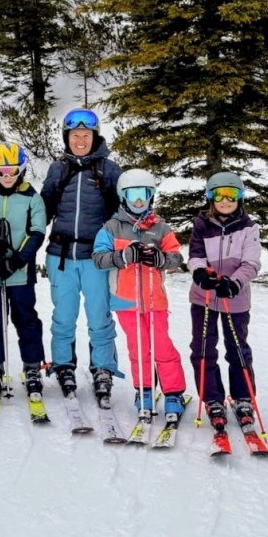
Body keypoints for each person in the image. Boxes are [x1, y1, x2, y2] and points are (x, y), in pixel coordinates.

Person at [40, 108, 122, 404]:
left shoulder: (109, 170)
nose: (80, 140)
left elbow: (123, 212)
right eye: (75, 135)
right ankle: (64, 365)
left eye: (86, 135)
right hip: (61, 255)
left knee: (99, 317)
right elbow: (42, 210)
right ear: (67, 137)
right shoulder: (57, 169)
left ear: (94, 137)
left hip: (96, 258)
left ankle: (103, 369)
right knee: (63, 316)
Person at [93, 169, 185, 417]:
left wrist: (160, 259)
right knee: (138, 348)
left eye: (143, 194)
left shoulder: (161, 228)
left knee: (162, 347)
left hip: (156, 302)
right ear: (123, 196)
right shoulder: (111, 228)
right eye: (132, 195)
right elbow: (99, 258)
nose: (138, 201)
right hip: (126, 301)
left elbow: (176, 257)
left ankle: (173, 392)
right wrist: (123, 256)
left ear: (151, 196)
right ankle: (144, 389)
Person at [187, 171, 262, 433]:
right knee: (203, 347)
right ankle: (212, 398)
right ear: (211, 197)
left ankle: (243, 398)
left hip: (235, 297)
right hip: (204, 297)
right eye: (220, 195)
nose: (226, 200)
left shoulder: (249, 227)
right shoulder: (201, 225)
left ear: (240, 198)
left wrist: (234, 282)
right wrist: (199, 273)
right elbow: (195, 255)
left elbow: (251, 263)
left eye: (232, 194)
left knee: (237, 347)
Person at [0, 142, 47, 408]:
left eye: (13, 171)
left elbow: (37, 232)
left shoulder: (32, 198)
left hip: (20, 272)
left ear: (22, 170)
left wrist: (17, 260)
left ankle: (32, 367)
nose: (7, 177)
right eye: (1, 171)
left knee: (26, 318)